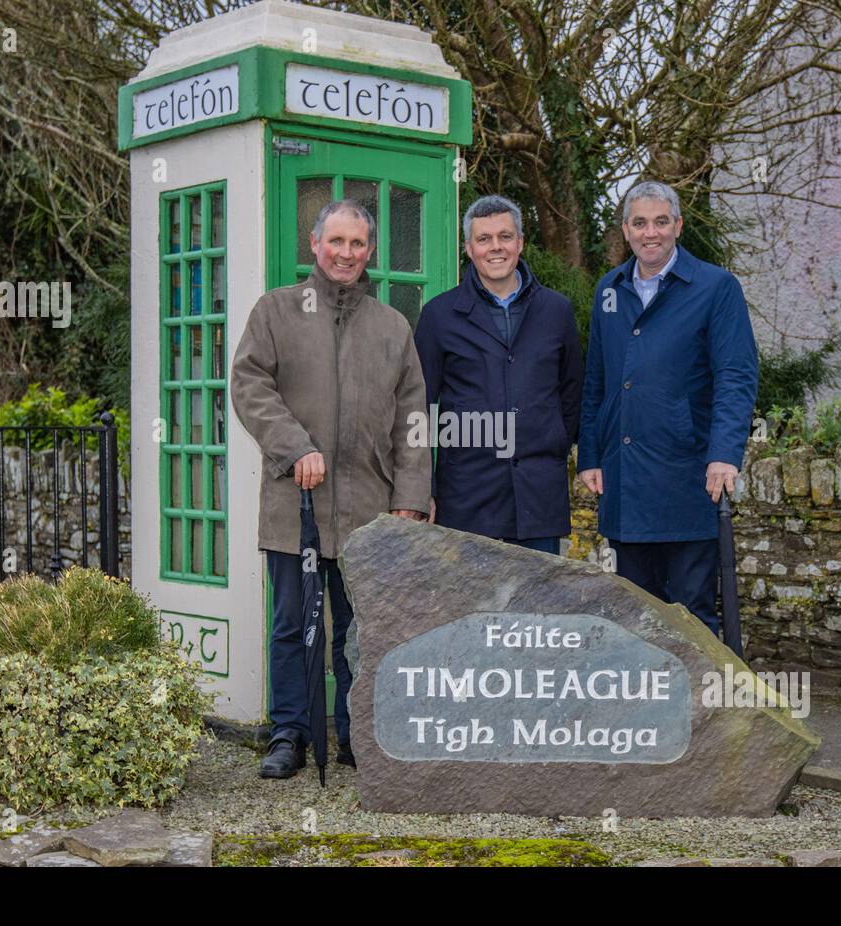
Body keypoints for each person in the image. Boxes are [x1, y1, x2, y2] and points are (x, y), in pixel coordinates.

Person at [231, 199, 430, 779]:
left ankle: (354, 733)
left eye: (357, 244)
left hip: (371, 510)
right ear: (314, 244)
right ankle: (291, 733)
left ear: (370, 251)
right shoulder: (276, 311)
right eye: (335, 241)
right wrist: (295, 446)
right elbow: (248, 386)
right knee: (291, 623)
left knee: (361, 629)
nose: (346, 253)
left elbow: (412, 419)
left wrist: (411, 497)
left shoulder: (392, 326)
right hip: (295, 505)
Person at [576, 180, 758, 637]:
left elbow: (736, 376)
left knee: (692, 611)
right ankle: (644, 704)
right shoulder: (609, 290)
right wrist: (591, 455)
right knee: (634, 613)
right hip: (625, 481)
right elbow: (596, 378)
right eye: (639, 223)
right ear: (626, 229)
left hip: (688, 476)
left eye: (660, 222)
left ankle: (702, 709)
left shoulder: (716, 288)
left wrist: (725, 454)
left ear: (678, 225)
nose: (650, 232)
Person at [414, 195, 582, 552]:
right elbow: (419, 408)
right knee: (468, 608)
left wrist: (546, 442)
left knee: (538, 608)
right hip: (466, 498)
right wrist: (420, 490)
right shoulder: (439, 316)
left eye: (505, 237)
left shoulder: (557, 311)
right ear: (468, 248)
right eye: (484, 239)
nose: (496, 248)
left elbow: (572, 394)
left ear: (520, 242)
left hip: (539, 497)